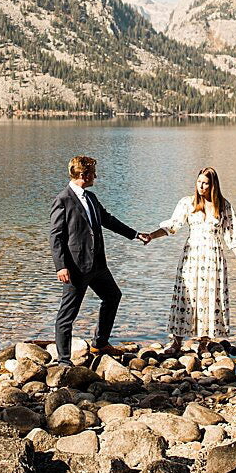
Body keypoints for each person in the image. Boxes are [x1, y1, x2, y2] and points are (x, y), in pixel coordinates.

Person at [139, 166, 236, 355]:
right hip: (191, 256)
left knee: (209, 298)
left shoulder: (223, 206)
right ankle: (177, 340)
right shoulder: (188, 203)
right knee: (186, 295)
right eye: (199, 182)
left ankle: (203, 341)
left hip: (213, 257)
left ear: (213, 185)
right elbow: (173, 226)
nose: (201, 186)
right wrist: (151, 235)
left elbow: (230, 236)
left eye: (205, 183)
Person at [50, 155, 146, 365]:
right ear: (83, 175)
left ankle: (100, 343)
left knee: (113, 296)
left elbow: (108, 220)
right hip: (76, 268)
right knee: (67, 314)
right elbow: (56, 236)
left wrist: (135, 234)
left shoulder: (91, 198)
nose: (96, 176)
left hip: (98, 265)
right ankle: (64, 361)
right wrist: (61, 266)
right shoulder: (63, 199)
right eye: (93, 172)